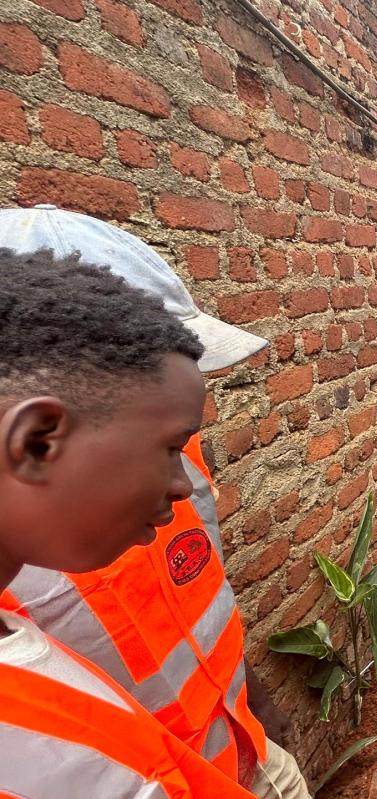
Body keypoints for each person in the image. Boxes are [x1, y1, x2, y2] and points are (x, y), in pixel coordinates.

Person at [0, 206, 307, 798]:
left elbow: (204, 596)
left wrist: (254, 713)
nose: (183, 479)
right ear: (40, 439)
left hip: (242, 754)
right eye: (169, 445)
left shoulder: (151, 454)